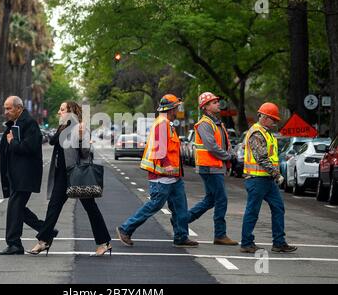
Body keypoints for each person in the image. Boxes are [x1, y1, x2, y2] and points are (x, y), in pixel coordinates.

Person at [28, 101, 112, 257]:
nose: (59, 112)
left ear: (71, 111)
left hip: (76, 175)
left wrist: (80, 138)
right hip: (62, 175)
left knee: (91, 209)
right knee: (53, 207)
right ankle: (44, 241)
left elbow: (86, 153)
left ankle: (104, 242)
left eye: (62, 110)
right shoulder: (64, 127)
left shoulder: (81, 128)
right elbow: (52, 141)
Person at [116, 94, 198, 248]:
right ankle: (125, 228)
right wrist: (167, 165)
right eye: (177, 107)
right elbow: (159, 148)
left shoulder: (167, 124)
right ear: (171, 109)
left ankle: (181, 236)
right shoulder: (162, 124)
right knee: (154, 205)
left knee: (180, 206)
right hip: (161, 176)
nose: (178, 110)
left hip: (173, 176)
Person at [0, 96, 55, 255]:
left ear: (19, 108)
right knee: (18, 209)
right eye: (5, 108)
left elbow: (31, 147)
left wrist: (12, 142)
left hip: (25, 174)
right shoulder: (13, 124)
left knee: (14, 208)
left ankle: (14, 243)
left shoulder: (29, 124)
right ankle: (46, 231)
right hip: (16, 175)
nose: (6, 112)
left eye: (9, 108)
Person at [240, 103, 297, 253]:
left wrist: (274, 175)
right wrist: (277, 174)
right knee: (252, 211)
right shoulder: (257, 133)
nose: (275, 122)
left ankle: (279, 242)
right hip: (257, 179)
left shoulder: (266, 132)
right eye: (273, 119)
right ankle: (246, 243)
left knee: (278, 208)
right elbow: (262, 159)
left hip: (266, 180)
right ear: (264, 118)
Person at [187, 92, 238, 246]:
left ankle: (182, 220)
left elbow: (224, 144)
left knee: (210, 200)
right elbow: (211, 146)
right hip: (209, 167)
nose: (218, 104)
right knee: (221, 199)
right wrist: (228, 157)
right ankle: (220, 235)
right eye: (214, 102)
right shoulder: (205, 124)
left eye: (217, 101)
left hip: (215, 167)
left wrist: (231, 154)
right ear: (206, 107)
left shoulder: (217, 123)